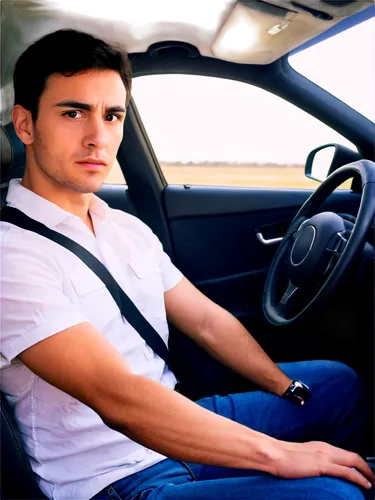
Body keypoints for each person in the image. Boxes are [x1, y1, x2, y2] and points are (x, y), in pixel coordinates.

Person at [0, 29, 373, 500]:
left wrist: (284, 387)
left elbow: (207, 321)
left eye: (112, 115)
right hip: (115, 478)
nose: (98, 137)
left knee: (336, 386)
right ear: (26, 124)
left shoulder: (122, 227)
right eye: (73, 113)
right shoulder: (10, 256)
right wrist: (283, 456)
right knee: (331, 496)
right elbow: (118, 398)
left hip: (178, 424)